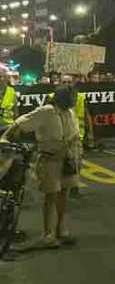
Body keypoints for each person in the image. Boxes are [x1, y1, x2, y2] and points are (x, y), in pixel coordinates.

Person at [1, 86, 82, 248]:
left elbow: (75, 136)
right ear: (61, 97)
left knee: (63, 196)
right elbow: (20, 123)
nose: (74, 100)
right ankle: (49, 234)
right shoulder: (46, 111)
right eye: (71, 97)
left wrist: (77, 157)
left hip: (68, 160)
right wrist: (4, 139)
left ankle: (61, 230)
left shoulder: (70, 113)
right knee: (51, 197)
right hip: (50, 160)